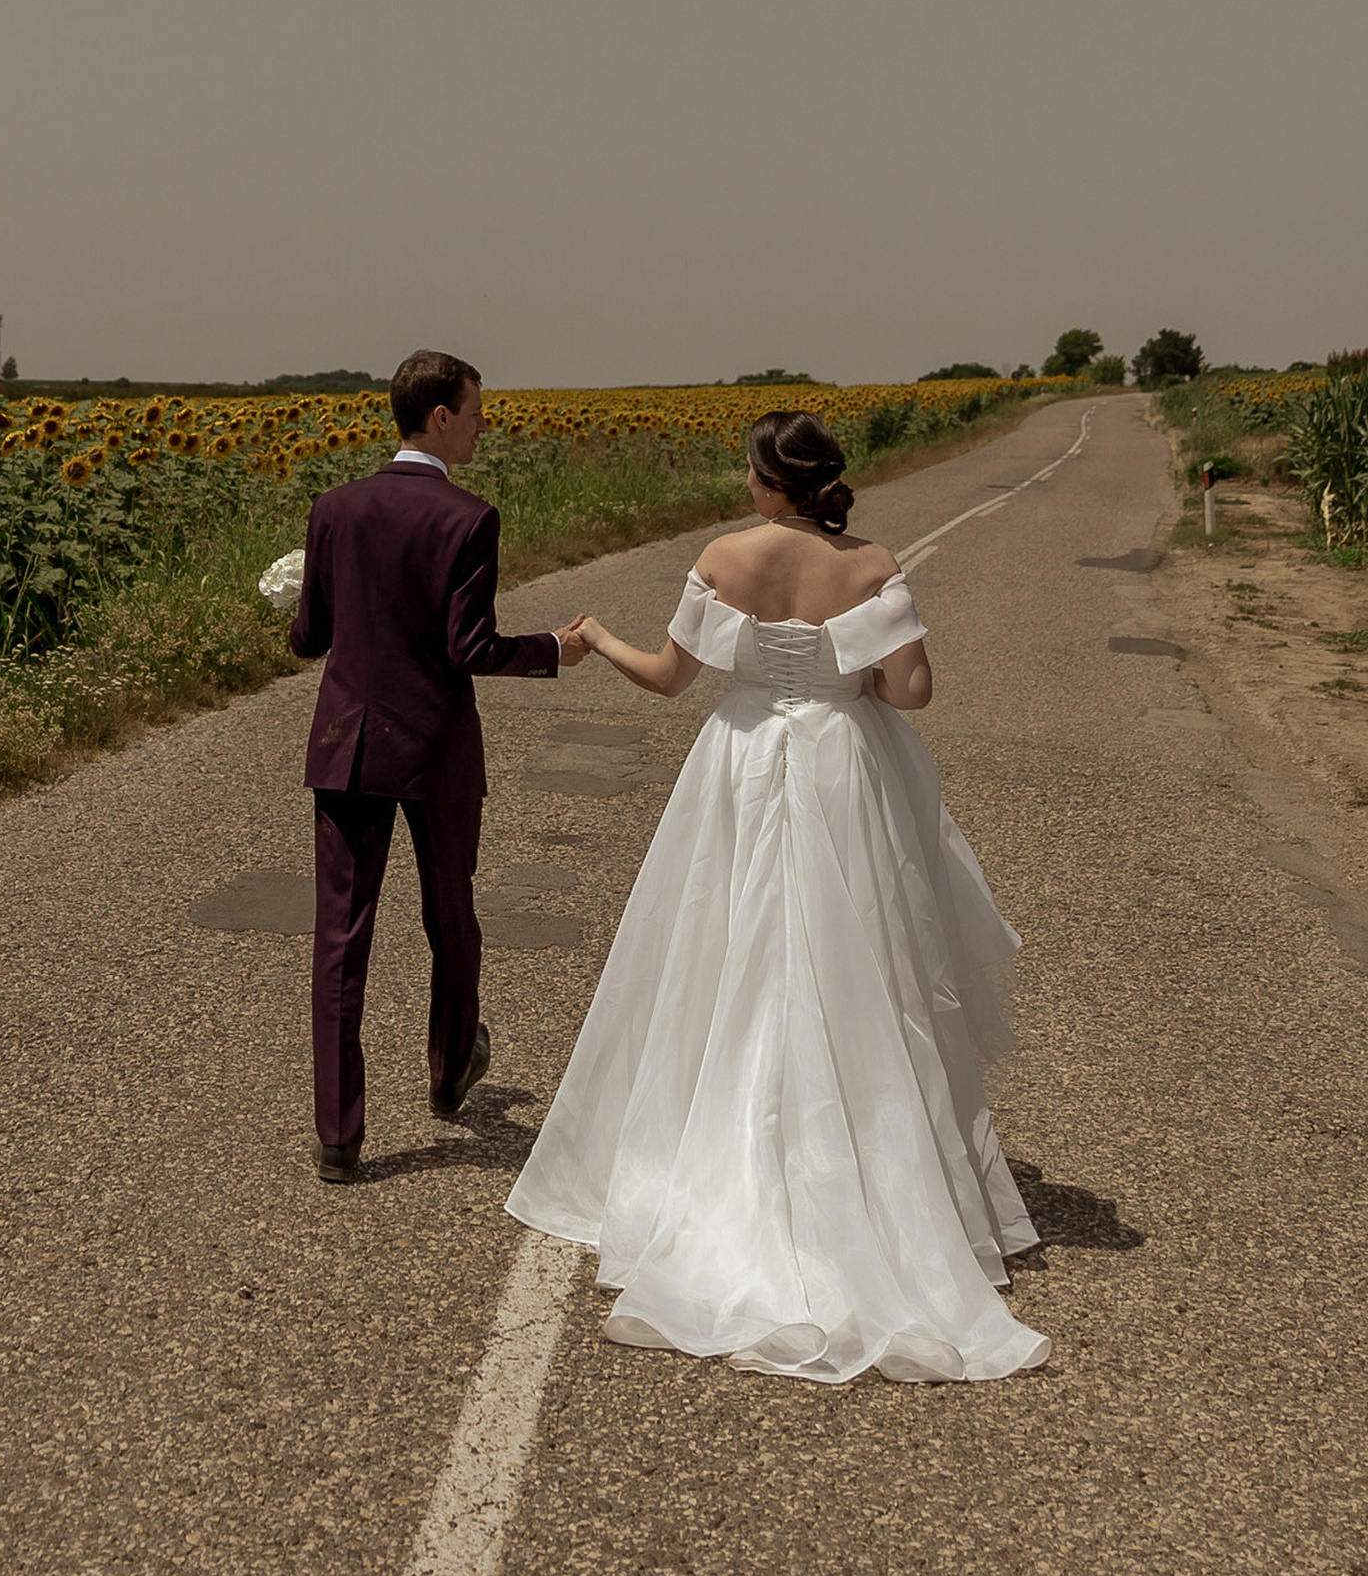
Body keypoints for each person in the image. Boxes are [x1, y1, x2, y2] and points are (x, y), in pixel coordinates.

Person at [507, 408, 1047, 1382]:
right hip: (848, 764)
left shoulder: (723, 556)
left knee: (728, 956)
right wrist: (852, 689)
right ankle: (882, 1179)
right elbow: (912, 690)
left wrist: (597, 637)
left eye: (749, 468)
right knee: (865, 970)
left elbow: (671, 679)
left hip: (745, 758)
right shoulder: (870, 563)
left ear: (769, 480)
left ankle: (718, 1166)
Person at [290, 350, 587, 1181]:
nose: (486, 421)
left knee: (340, 939)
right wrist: (552, 650)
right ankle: (451, 1069)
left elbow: (311, 636)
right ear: (442, 417)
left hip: (347, 744)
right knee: (450, 915)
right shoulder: (468, 519)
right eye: (477, 407)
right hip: (434, 748)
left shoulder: (334, 507)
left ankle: (339, 1136)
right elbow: (471, 649)